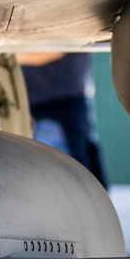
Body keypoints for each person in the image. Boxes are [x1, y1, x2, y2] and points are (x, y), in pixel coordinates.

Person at [17, 51, 108, 186]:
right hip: (31, 103)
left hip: (62, 102)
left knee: (64, 178)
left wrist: (9, 55)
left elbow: (55, 50)